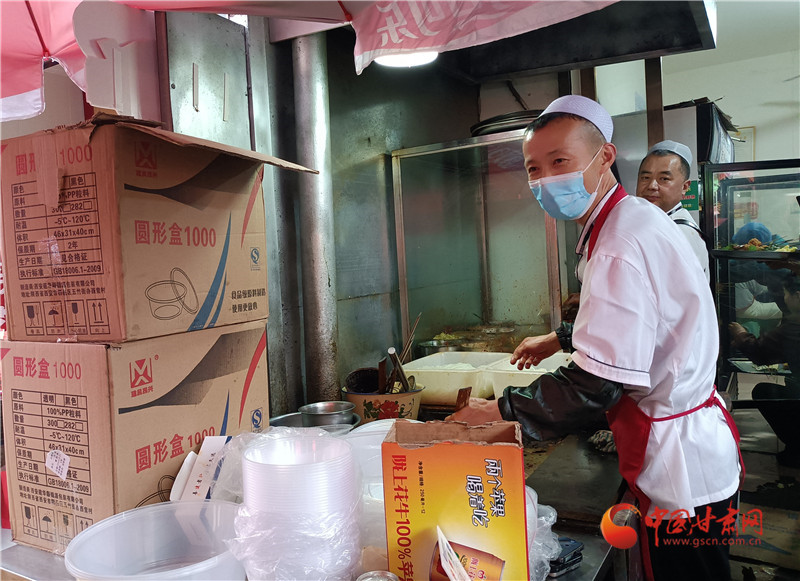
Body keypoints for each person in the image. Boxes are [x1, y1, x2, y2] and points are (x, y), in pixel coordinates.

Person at [447, 95, 743, 581]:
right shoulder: (629, 219)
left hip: (680, 468)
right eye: (533, 168)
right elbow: (643, 319)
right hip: (692, 451)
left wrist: (500, 410)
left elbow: (595, 385)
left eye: (560, 161)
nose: (545, 179)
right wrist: (562, 338)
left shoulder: (618, 243)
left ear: (604, 156)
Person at [729, 272, 800, 467]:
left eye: (786, 293)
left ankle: (797, 448)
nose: (784, 298)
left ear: (797, 296)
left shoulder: (793, 328)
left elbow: (760, 353)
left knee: (764, 391)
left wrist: (741, 335)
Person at [636, 139, 709, 281]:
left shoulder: (680, 233)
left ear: (685, 187)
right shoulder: (656, 222)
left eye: (664, 179)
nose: (652, 186)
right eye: (645, 177)